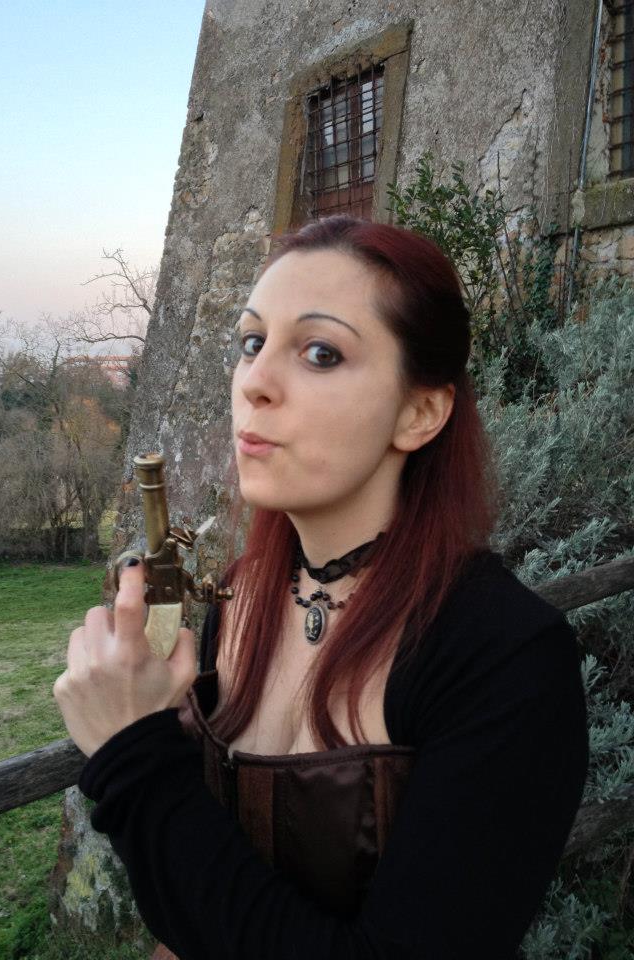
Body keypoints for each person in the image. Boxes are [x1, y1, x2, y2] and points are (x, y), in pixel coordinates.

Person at [53, 215, 589, 959]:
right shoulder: (239, 598)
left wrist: (132, 758)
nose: (255, 383)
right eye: (251, 343)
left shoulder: (505, 659)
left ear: (420, 412)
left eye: (320, 352)